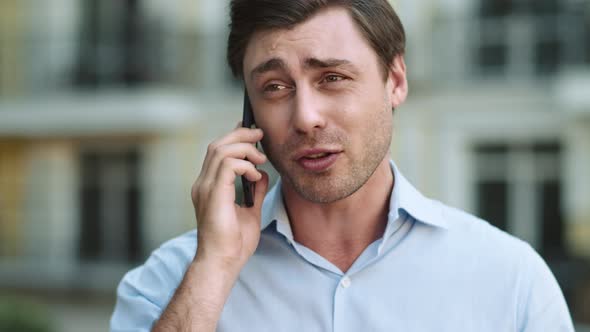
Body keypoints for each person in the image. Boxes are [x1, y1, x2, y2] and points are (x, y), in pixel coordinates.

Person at [110, 0, 574, 331]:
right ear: (248, 112)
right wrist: (215, 268)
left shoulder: (512, 279)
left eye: (332, 78)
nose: (306, 116)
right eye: (274, 87)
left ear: (394, 81)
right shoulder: (171, 280)